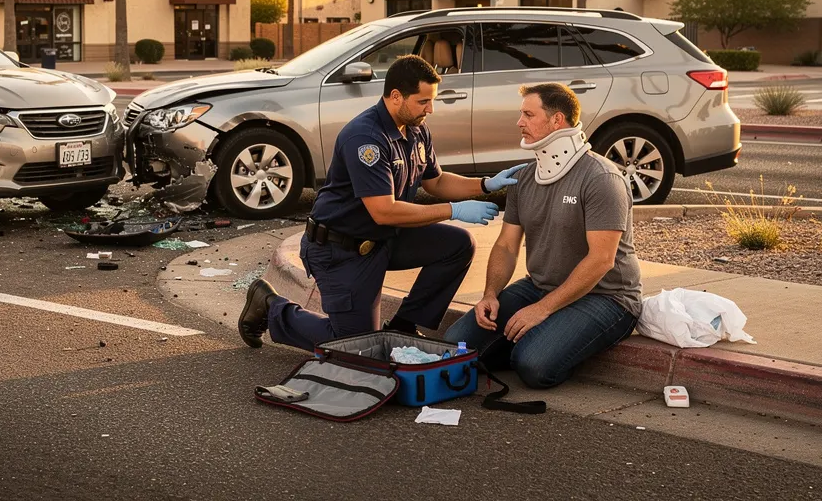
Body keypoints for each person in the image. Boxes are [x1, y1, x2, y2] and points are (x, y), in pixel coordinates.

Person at [238, 55, 526, 351]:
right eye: (423, 101)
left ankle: (403, 326)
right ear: (396, 96)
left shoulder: (415, 128)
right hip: (341, 249)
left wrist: (484, 184)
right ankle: (270, 306)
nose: (431, 109)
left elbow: (436, 182)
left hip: (382, 240)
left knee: (458, 245)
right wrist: (454, 210)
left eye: (432, 100)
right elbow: (384, 211)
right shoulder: (366, 138)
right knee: (359, 348)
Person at [442, 82, 642, 389]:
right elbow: (507, 245)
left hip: (607, 296)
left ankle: (538, 343)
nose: (519, 122)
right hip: (540, 286)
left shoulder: (601, 178)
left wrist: (543, 310)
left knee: (533, 366)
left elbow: (601, 260)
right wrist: (491, 294)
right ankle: (532, 339)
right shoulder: (524, 178)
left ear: (557, 121)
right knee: (456, 345)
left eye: (528, 114)